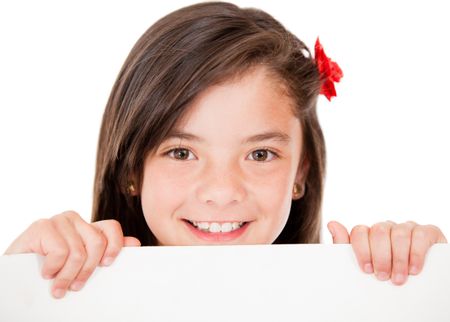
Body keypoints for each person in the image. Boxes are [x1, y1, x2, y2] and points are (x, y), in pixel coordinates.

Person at [3, 1, 447, 299]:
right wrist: (17, 285)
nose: (221, 192)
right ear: (131, 169)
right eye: (181, 152)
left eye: (259, 155)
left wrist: (424, 282)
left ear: (300, 173)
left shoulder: (346, 297)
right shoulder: (64, 294)